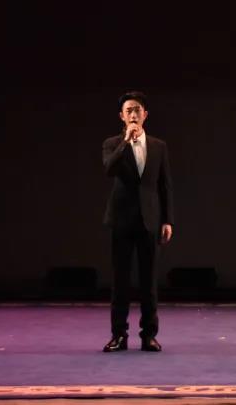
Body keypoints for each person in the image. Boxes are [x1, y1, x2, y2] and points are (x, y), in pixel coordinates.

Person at [101, 91, 174, 352]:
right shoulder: (112, 143)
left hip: (150, 220)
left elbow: (165, 185)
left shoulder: (158, 146)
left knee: (148, 282)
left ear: (145, 115)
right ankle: (119, 335)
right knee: (120, 281)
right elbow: (109, 169)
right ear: (122, 116)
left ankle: (148, 335)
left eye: (137, 110)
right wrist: (125, 142)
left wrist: (167, 220)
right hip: (121, 220)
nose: (133, 114)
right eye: (129, 110)